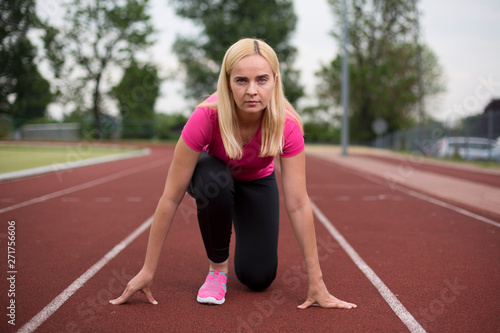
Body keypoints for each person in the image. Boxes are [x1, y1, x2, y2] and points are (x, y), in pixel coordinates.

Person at [110, 38, 357, 310]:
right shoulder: (206, 117)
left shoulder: (287, 126)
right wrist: (147, 270)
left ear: (275, 80)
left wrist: (317, 282)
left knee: (258, 278)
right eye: (241, 80)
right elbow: (171, 197)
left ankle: (243, 232)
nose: (252, 91)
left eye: (261, 79)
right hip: (212, 178)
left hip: (256, 182)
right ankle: (217, 270)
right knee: (215, 181)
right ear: (228, 82)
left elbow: (298, 203)